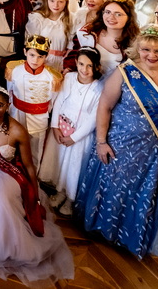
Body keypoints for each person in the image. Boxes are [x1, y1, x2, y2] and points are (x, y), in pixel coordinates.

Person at [77, 24, 158, 258]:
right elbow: (105, 105)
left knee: (144, 197)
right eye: (146, 49)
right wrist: (101, 141)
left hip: (157, 153)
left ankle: (132, 238)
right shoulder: (125, 72)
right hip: (120, 147)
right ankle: (106, 231)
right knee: (115, 192)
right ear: (137, 49)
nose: (151, 55)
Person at [0, 85, 74, 285]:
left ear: (8, 106)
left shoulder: (17, 130)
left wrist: (33, 193)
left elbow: (29, 166)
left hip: (9, 173)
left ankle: (4, 247)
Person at [41, 47, 103, 217]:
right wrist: (54, 125)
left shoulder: (98, 88)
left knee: (73, 167)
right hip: (62, 127)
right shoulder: (68, 78)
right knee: (60, 163)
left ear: (96, 67)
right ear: (76, 63)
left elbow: (93, 118)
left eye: (90, 66)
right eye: (82, 64)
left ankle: (70, 198)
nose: (85, 69)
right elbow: (59, 100)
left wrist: (75, 137)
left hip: (79, 135)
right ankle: (59, 192)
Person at [6, 34, 59, 171]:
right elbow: (10, 93)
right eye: (32, 55)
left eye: (40, 56)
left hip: (39, 118)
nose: (35, 60)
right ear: (25, 52)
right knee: (14, 148)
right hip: (17, 115)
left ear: (46, 56)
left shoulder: (52, 77)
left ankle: (33, 177)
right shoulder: (14, 71)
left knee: (36, 151)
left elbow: (53, 100)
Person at [69, 0, 139, 75]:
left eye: (118, 14)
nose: (111, 17)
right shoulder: (87, 34)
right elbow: (74, 57)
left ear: (129, 17)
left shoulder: (135, 41)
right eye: (108, 12)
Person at [25, 0, 72, 73]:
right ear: (47, 1)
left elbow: (71, 46)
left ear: (66, 2)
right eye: (52, 1)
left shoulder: (69, 20)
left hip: (60, 63)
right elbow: (30, 44)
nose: (56, 5)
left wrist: (66, 65)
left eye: (60, 2)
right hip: (40, 61)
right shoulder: (38, 18)